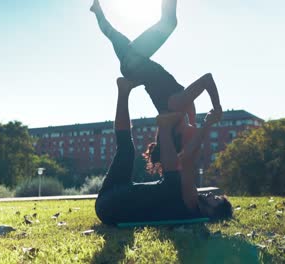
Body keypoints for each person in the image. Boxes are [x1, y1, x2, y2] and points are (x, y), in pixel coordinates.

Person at [95, 78, 232, 224]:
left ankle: (165, 126)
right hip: (111, 197)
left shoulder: (193, 206)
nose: (212, 194)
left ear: (213, 212)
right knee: (126, 148)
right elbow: (186, 159)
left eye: (216, 199)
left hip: (111, 207)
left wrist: (207, 124)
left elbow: (186, 160)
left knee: (174, 182)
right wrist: (203, 124)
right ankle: (123, 91)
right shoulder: (190, 200)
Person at [90, 0, 222, 126]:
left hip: (136, 62)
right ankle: (97, 10)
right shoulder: (172, 109)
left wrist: (217, 109)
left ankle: (97, 10)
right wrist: (194, 123)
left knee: (169, 22)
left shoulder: (177, 105)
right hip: (132, 66)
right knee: (112, 33)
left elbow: (207, 79)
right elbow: (189, 108)